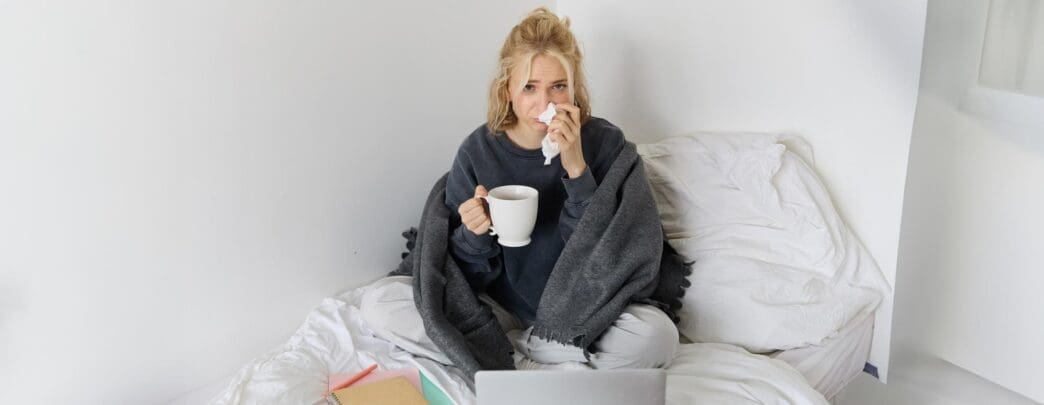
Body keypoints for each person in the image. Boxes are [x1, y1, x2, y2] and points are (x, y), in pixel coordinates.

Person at [363, 7, 678, 371]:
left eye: (558, 86)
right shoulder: (478, 152)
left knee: (658, 338)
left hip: (584, 312)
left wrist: (575, 167)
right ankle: (525, 350)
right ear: (507, 90)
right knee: (381, 302)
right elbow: (460, 275)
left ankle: (508, 354)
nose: (545, 103)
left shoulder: (604, 145)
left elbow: (608, 258)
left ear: (574, 89)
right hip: (499, 309)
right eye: (529, 87)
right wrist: (474, 235)